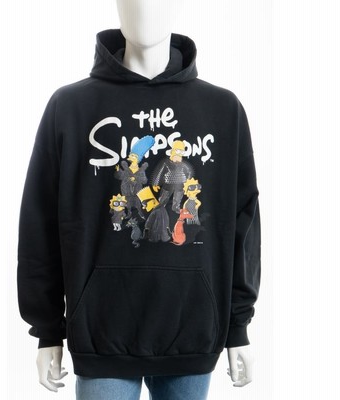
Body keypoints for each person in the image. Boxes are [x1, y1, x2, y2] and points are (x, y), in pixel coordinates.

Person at [17, 0, 261, 398]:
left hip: (192, 332)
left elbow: (243, 225)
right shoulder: (70, 107)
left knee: (170, 216)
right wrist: (47, 329)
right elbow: (39, 224)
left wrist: (238, 327)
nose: (145, 8)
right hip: (101, 333)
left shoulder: (223, 110)